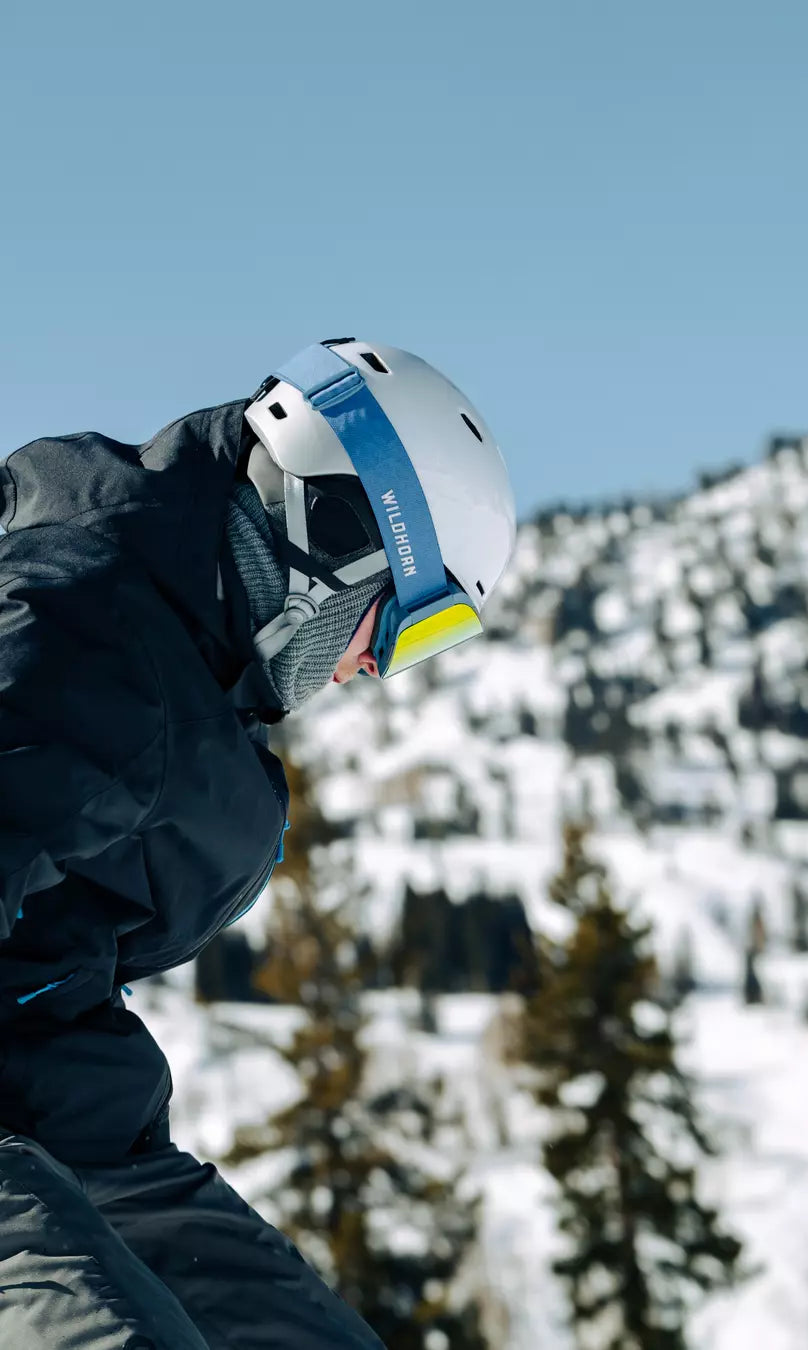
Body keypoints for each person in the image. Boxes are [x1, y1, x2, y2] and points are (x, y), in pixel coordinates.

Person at [0, 338, 516, 1349]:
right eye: (412, 629)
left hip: (64, 1115)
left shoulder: (175, 653)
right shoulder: (72, 623)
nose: (373, 669)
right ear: (338, 540)